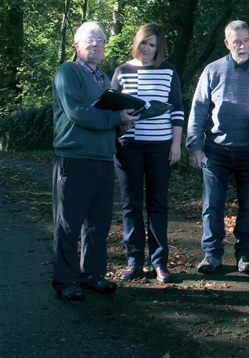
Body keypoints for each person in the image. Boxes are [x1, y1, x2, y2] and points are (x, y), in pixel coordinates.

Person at [52, 22, 137, 300]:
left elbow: (105, 117)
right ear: (77, 45)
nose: (97, 44)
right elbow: (78, 113)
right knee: (69, 224)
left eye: (100, 40)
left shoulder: (103, 78)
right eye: (90, 40)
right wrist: (116, 118)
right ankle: (65, 281)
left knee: (98, 223)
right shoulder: (69, 72)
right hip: (75, 158)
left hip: (103, 158)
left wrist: (123, 122)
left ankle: (92, 275)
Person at [186, 20, 249, 274]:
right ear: (227, 43)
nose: (243, 46)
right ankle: (211, 255)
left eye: (247, 40)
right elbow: (198, 108)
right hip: (216, 150)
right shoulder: (213, 70)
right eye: (237, 42)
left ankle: (245, 254)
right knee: (213, 205)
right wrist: (194, 145)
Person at [111, 23, 184, 284]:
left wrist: (176, 144)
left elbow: (177, 108)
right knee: (131, 205)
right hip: (128, 146)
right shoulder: (122, 71)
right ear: (137, 42)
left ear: (159, 48)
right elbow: (111, 110)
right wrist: (121, 120)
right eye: (144, 42)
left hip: (160, 146)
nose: (147, 48)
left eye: (152, 45)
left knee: (157, 204)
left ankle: (160, 264)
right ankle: (134, 262)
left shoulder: (168, 71)